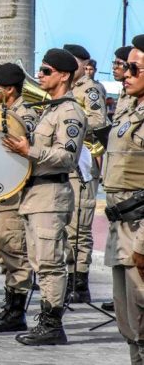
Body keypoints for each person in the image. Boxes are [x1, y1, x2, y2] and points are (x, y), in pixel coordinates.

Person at [2, 48, 87, 345]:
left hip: (51, 193)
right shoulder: (50, 109)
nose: (40, 75)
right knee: (40, 261)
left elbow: (67, 157)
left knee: (50, 263)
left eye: (46, 71)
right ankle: (46, 321)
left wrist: (30, 151)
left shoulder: (69, 112)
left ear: (63, 75)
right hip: (36, 194)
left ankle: (52, 325)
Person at [0, 63, 36, 332]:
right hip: (0, 193)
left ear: (9, 90)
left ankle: (17, 312)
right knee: (1, 248)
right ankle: (9, 305)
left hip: (14, 195)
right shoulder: (4, 112)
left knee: (14, 250)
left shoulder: (25, 115)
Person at [102, 34, 144, 364]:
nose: (125, 73)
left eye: (134, 68)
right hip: (122, 226)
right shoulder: (133, 108)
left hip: (140, 229)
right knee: (129, 322)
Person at [63, 43, 107, 303]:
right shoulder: (67, 88)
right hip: (67, 162)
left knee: (80, 225)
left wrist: (70, 121)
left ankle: (80, 283)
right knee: (67, 224)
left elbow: (99, 121)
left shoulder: (88, 89)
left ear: (81, 64)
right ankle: (68, 277)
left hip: (84, 162)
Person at [114, 46, 135, 116]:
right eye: (114, 63)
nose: (114, 67)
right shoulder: (124, 91)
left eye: (119, 63)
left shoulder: (136, 94)